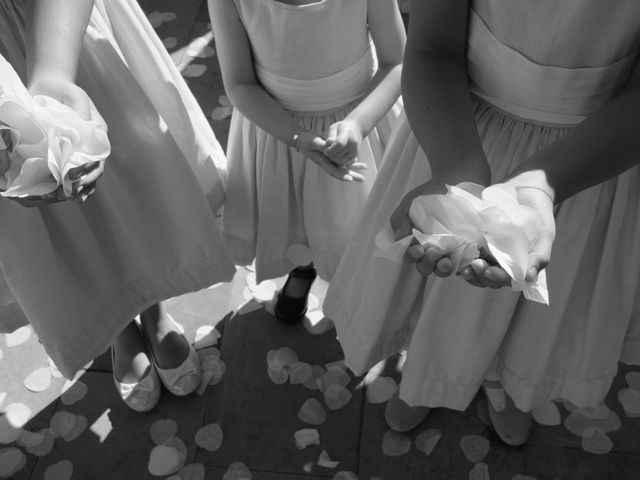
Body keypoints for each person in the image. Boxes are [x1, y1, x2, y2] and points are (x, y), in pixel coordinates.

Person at [324, 0, 640, 445]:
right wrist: (456, 167)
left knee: (537, 303)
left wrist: (543, 187)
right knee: (448, 290)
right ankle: (431, 375)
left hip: (592, 157)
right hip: (460, 127)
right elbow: (432, 46)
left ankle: (501, 381)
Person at [0, 0, 236, 412]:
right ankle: (119, 328)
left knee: (125, 183)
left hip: (55, 27)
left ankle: (154, 310)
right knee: (60, 219)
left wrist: (53, 80)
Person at [209, 0, 405, 323]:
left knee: (358, 218)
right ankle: (304, 266)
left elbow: (396, 60)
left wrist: (357, 123)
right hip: (279, 128)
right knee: (296, 214)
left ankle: (361, 282)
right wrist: (297, 137)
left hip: (359, 119)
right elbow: (240, 83)